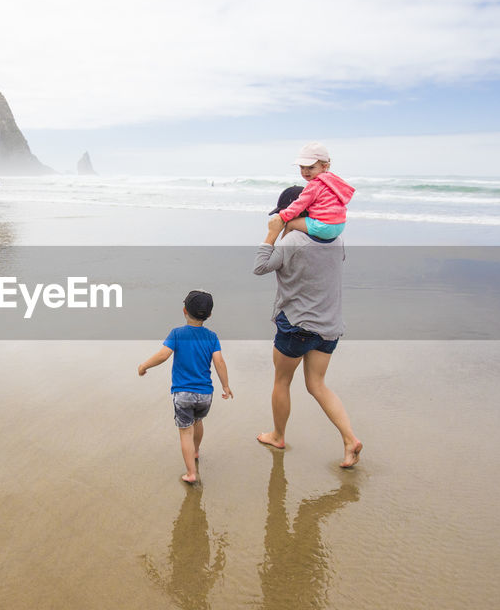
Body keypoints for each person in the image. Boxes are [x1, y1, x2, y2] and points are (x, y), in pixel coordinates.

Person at [254, 188, 362, 468]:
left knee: (282, 381)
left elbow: (260, 266)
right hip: (329, 326)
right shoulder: (336, 240)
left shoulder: (293, 241)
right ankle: (350, 439)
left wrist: (272, 234)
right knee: (317, 385)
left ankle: (278, 435)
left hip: (297, 325)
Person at [138, 290, 233, 484]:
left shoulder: (177, 334)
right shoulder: (211, 337)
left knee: (185, 431)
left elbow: (163, 355)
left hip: (183, 393)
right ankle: (196, 451)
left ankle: (191, 473)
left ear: (184, 310)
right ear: (209, 315)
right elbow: (219, 362)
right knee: (198, 422)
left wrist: (144, 365)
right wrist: (226, 385)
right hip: (205, 394)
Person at [274, 142, 355, 242]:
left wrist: (283, 216)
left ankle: (281, 250)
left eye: (311, 167)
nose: (305, 171)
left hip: (324, 226)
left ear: (324, 166)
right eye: (302, 167)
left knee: (291, 224)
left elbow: (300, 203)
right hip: (340, 225)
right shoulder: (332, 180)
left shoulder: (315, 184)